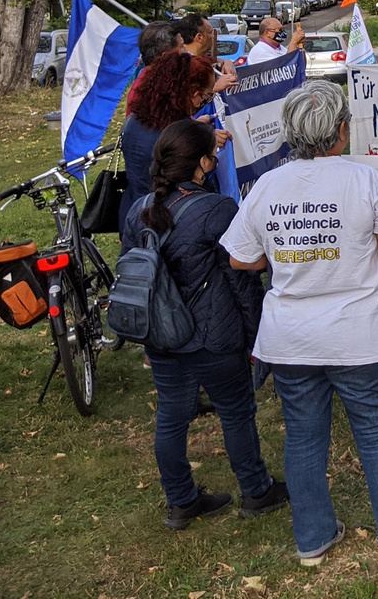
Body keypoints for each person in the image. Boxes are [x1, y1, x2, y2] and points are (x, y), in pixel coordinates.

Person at [221, 81, 378, 570]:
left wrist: (284, 257)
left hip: (288, 340)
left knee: (303, 438)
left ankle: (313, 538)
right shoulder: (363, 181)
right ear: (341, 131)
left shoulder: (267, 186)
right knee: (376, 436)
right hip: (357, 338)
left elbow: (240, 259)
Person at [121, 119, 287, 529]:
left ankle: (181, 501)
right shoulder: (218, 209)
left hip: (160, 334)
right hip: (216, 335)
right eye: (213, 155)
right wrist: (256, 332)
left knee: (171, 416)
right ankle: (255, 489)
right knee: (235, 411)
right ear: (201, 164)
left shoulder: (139, 212)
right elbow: (242, 278)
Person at [119, 52, 220, 241]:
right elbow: (202, 184)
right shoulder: (181, 136)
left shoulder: (133, 122)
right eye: (205, 97)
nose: (203, 104)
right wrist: (203, 139)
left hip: (133, 218)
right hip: (172, 227)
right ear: (192, 93)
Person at [176, 12, 238, 94]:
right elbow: (184, 100)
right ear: (200, 37)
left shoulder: (200, 58)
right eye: (210, 33)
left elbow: (214, 61)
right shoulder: (182, 65)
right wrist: (214, 88)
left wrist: (226, 63)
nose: (214, 37)